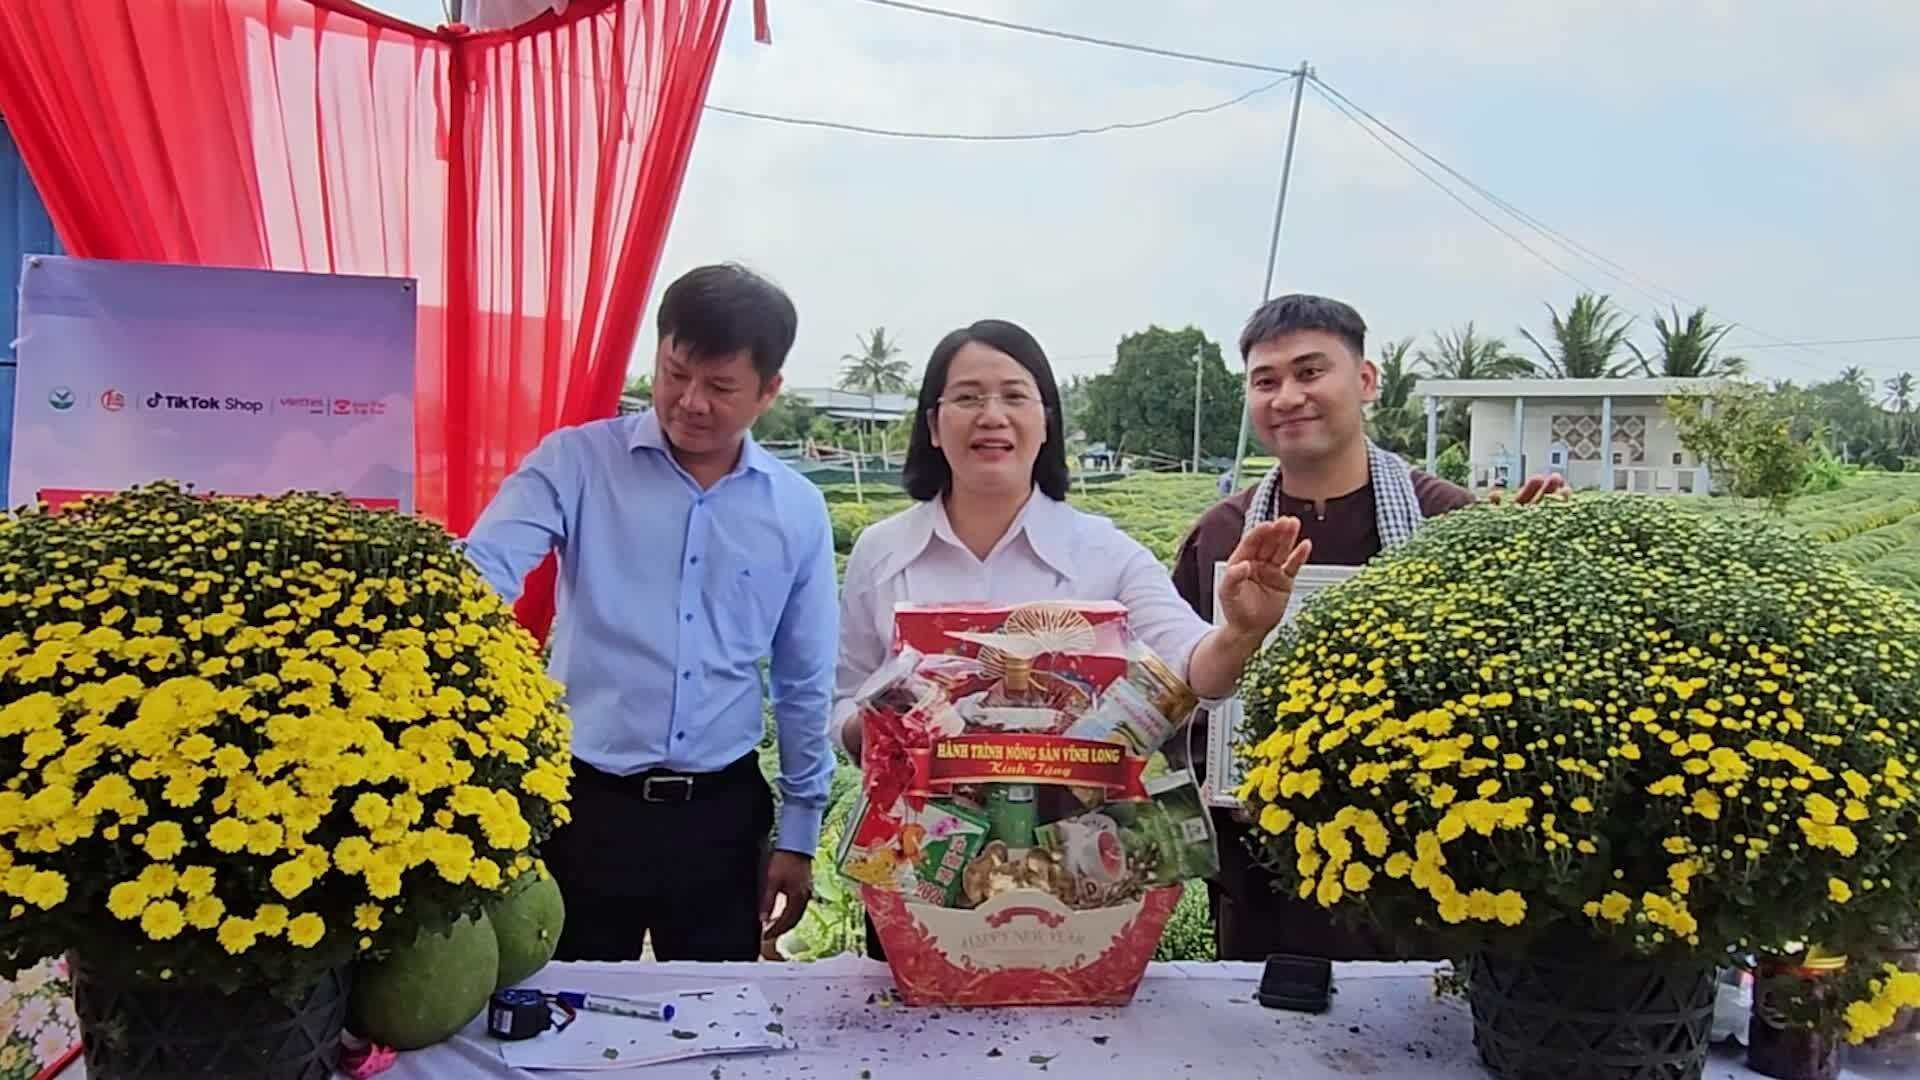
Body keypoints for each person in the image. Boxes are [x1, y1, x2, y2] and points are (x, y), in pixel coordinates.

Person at [833, 317, 1312, 958]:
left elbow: (1193, 667)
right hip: (922, 873)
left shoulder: (1104, 553)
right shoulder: (882, 552)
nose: (991, 415)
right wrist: (888, 729)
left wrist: (1242, 631)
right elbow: (841, 697)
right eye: (968, 397)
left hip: (1076, 882)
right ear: (933, 424)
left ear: (1046, 420)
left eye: (1013, 395)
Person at [1169, 293, 1562, 962]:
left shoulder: (1449, 522)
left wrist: (1528, 571)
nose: (1288, 396)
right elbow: (1177, 693)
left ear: (1367, 380)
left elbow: (1511, 687)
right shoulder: (1223, 536)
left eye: (1310, 371)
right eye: (1266, 381)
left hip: (1416, 865)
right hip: (1259, 869)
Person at [462, 263, 834, 963]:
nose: (690, 401)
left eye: (720, 387)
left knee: (717, 1022)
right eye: (674, 373)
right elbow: (484, 572)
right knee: (563, 1021)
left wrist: (800, 834)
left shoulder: (796, 509)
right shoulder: (576, 463)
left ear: (768, 392)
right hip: (584, 805)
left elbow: (803, 678)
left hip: (721, 820)